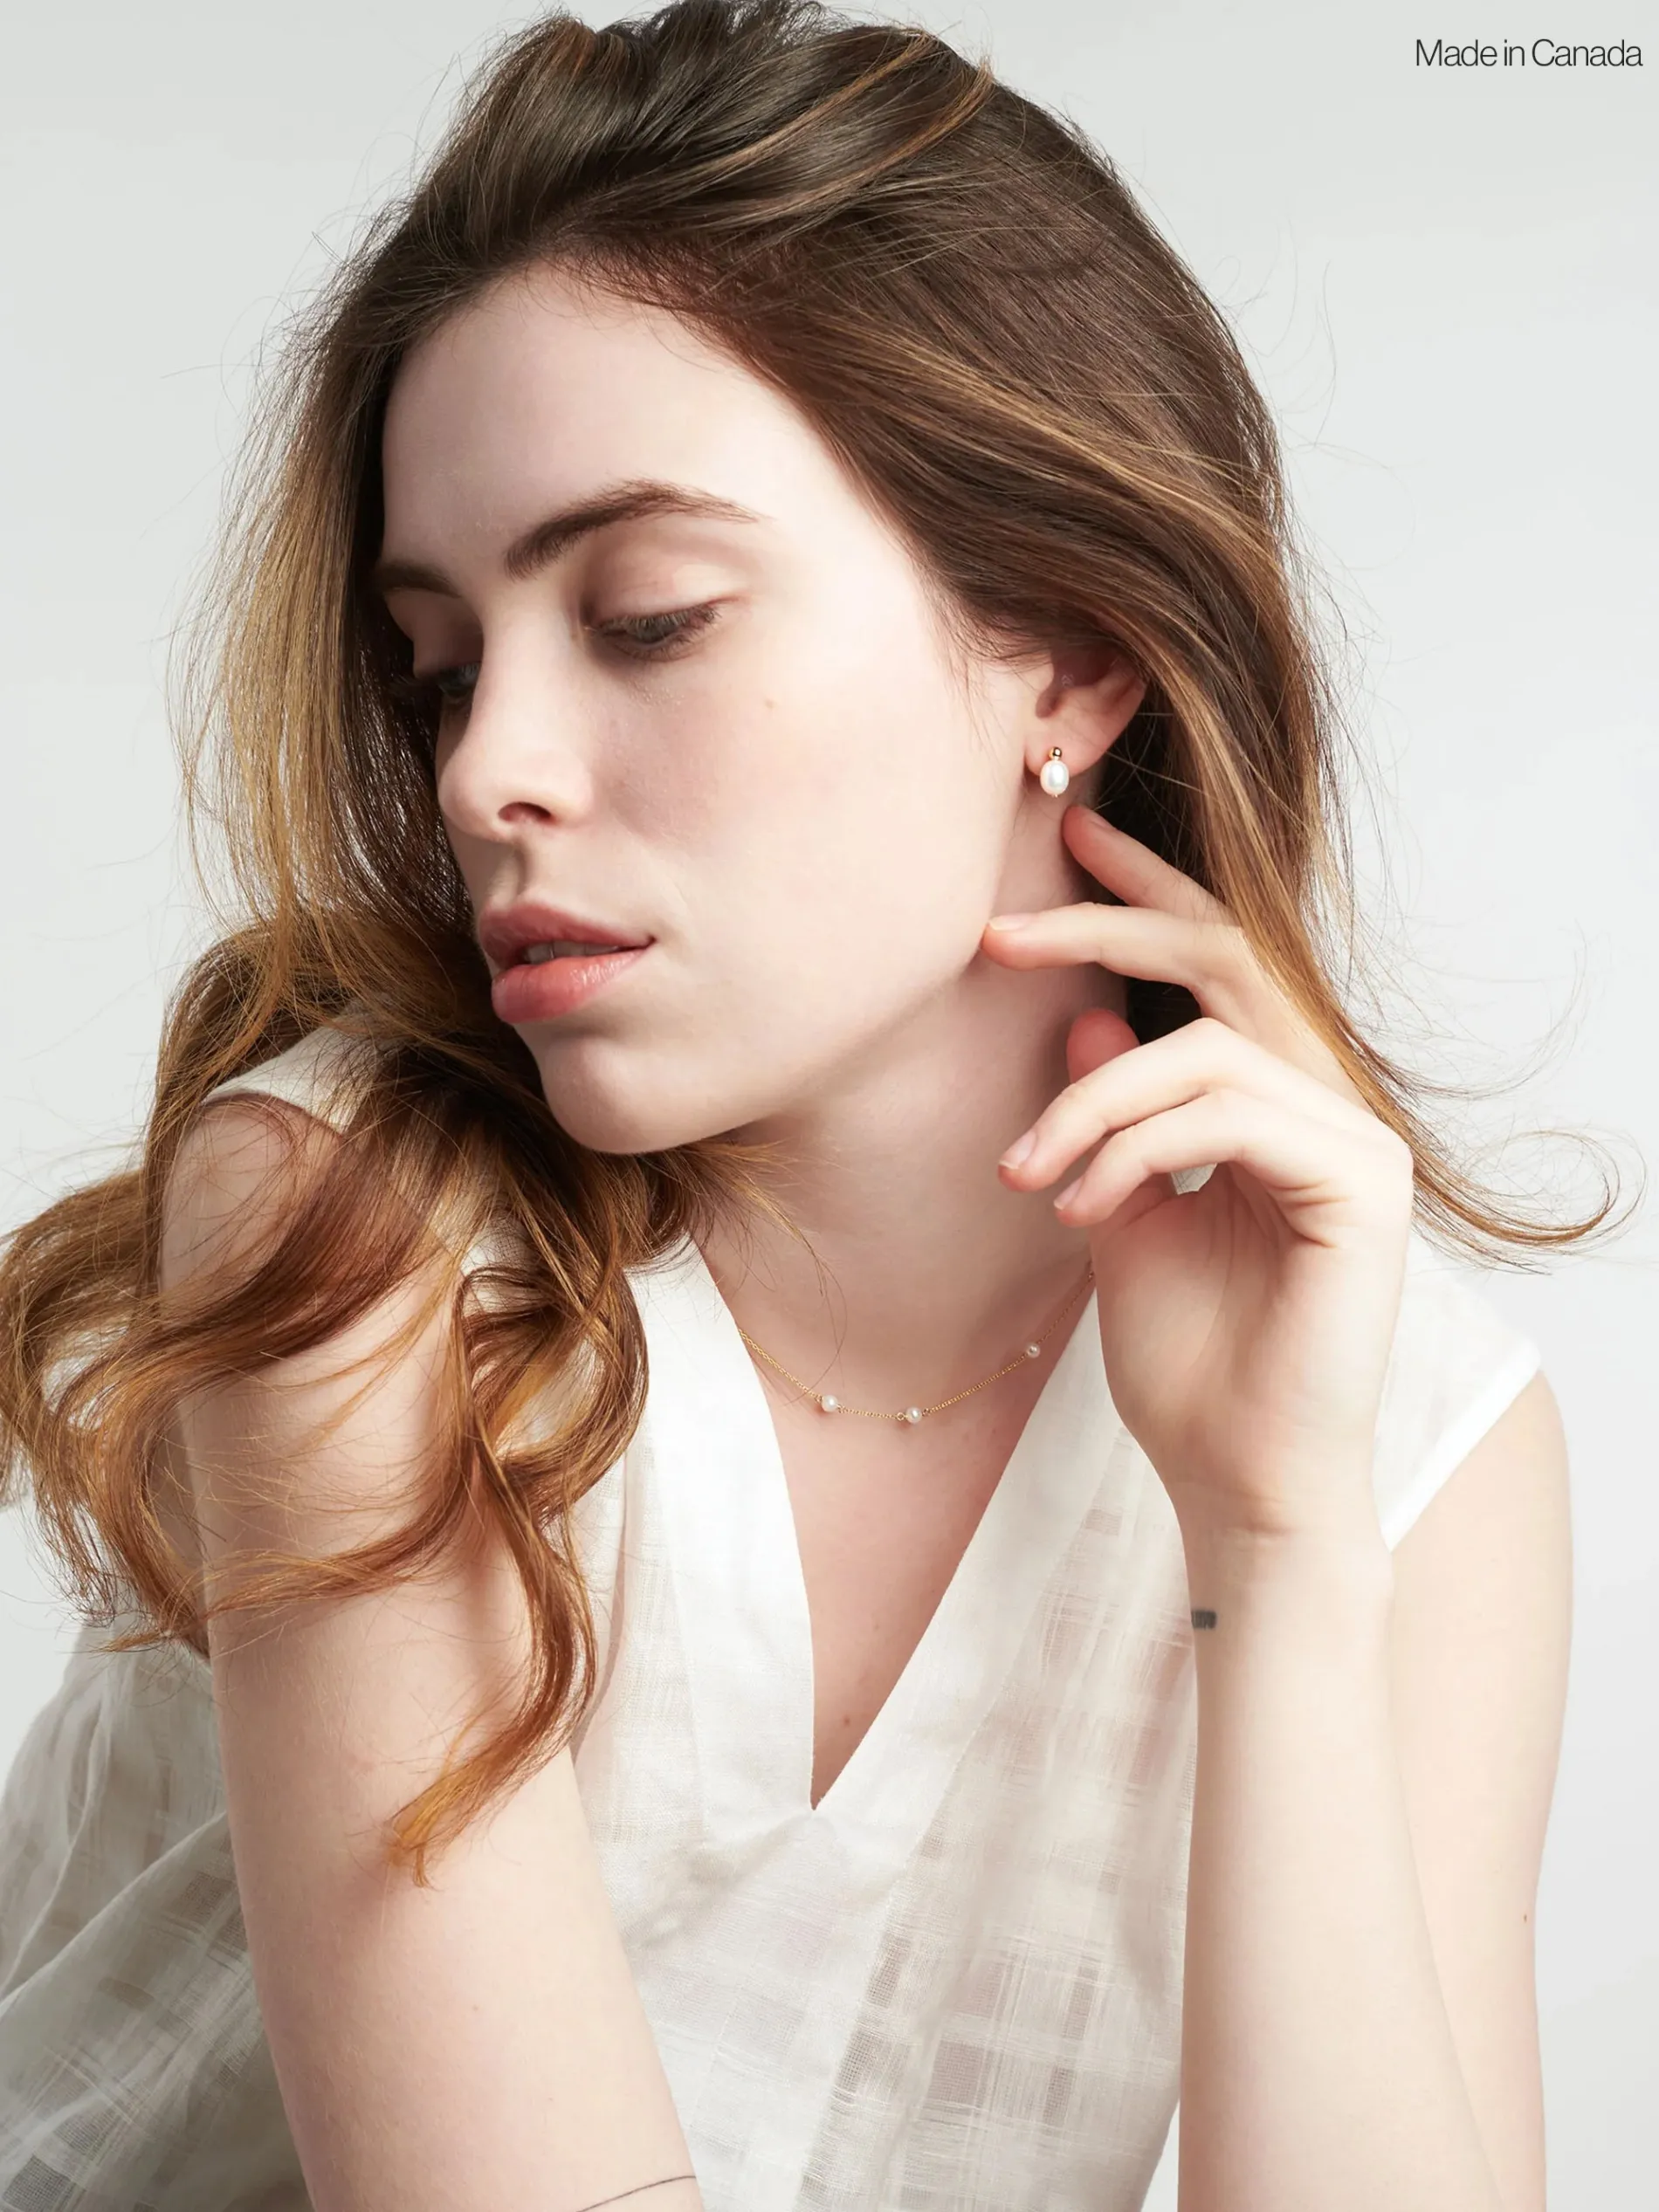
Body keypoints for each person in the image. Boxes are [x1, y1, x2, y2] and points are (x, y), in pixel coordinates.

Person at [0, 3, 1610, 2208]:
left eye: (647, 618)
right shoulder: (356, 1226)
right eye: (441, 667)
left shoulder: (1413, 1438)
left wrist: (1274, 1534)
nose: (484, 773)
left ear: (1064, 647)